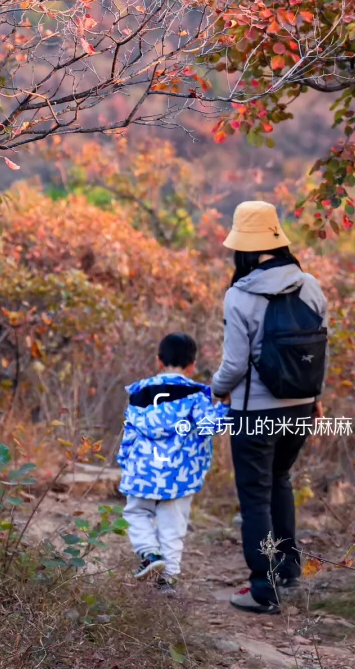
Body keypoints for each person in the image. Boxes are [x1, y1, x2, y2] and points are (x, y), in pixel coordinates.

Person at [211, 201, 329, 615]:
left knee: (255, 496)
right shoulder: (311, 285)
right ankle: (289, 570)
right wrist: (315, 399)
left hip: (255, 413)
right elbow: (320, 350)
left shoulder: (239, 296)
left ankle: (263, 587)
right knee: (281, 480)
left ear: (243, 247)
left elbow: (234, 364)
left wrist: (215, 389)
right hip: (299, 409)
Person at [117, 331, 227, 591]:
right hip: (179, 474)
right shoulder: (195, 395)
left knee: (136, 512)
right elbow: (209, 425)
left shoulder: (138, 393)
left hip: (142, 470)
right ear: (192, 366)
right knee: (173, 523)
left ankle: (149, 554)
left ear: (158, 361)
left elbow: (129, 432)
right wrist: (225, 407)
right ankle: (169, 578)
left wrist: (125, 462)